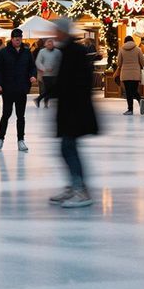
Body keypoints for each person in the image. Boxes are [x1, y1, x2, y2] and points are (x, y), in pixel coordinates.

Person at [50, 19, 98, 208]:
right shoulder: (67, 50)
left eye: (56, 31)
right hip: (70, 110)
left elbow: (78, 82)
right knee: (66, 148)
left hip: (75, 111)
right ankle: (74, 185)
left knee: (69, 148)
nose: (53, 35)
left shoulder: (74, 51)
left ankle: (81, 190)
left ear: (62, 32)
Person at [0, 28, 36, 151]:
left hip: (21, 88)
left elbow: (32, 67)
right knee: (6, 114)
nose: (18, 40)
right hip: (8, 89)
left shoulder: (27, 53)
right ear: (11, 39)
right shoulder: (4, 52)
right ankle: (0, 139)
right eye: (16, 38)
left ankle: (21, 140)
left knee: (20, 116)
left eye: (20, 38)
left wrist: (32, 75)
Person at [115, 34, 144, 116]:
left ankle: (130, 110)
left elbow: (119, 62)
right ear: (133, 41)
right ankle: (140, 100)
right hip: (135, 73)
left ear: (125, 41)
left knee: (128, 92)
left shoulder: (121, 49)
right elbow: (143, 62)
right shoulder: (138, 49)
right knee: (134, 90)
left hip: (125, 74)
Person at [35, 37, 61, 108]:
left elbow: (60, 61)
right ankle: (44, 102)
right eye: (48, 43)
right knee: (48, 89)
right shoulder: (42, 52)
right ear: (46, 44)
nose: (50, 44)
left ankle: (39, 99)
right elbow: (38, 62)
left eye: (51, 43)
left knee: (51, 90)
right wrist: (44, 69)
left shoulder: (58, 52)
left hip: (55, 74)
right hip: (46, 75)